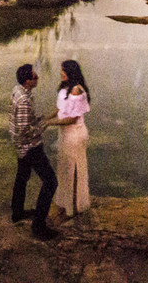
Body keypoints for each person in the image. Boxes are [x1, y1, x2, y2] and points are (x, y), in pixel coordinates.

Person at [9, 63, 60, 240]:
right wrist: (44, 125)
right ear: (28, 81)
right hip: (29, 146)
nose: (37, 76)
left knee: (22, 177)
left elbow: (24, 122)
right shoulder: (24, 100)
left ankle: (17, 214)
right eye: (34, 75)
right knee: (51, 181)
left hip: (19, 145)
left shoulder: (18, 90)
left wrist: (43, 118)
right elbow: (25, 129)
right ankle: (38, 227)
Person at [49, 59, 92, 224]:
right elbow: (60, 109)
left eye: (64, 71)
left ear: (71, 72)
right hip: (65, 134)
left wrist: (49, 124)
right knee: (65, 168)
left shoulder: (76, 90)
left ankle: (73, 208)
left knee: (73, 169)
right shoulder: (66, 88)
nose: (61, 73)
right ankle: (66, 204)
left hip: (74, 134)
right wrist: (46, 117)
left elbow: (72, 119)